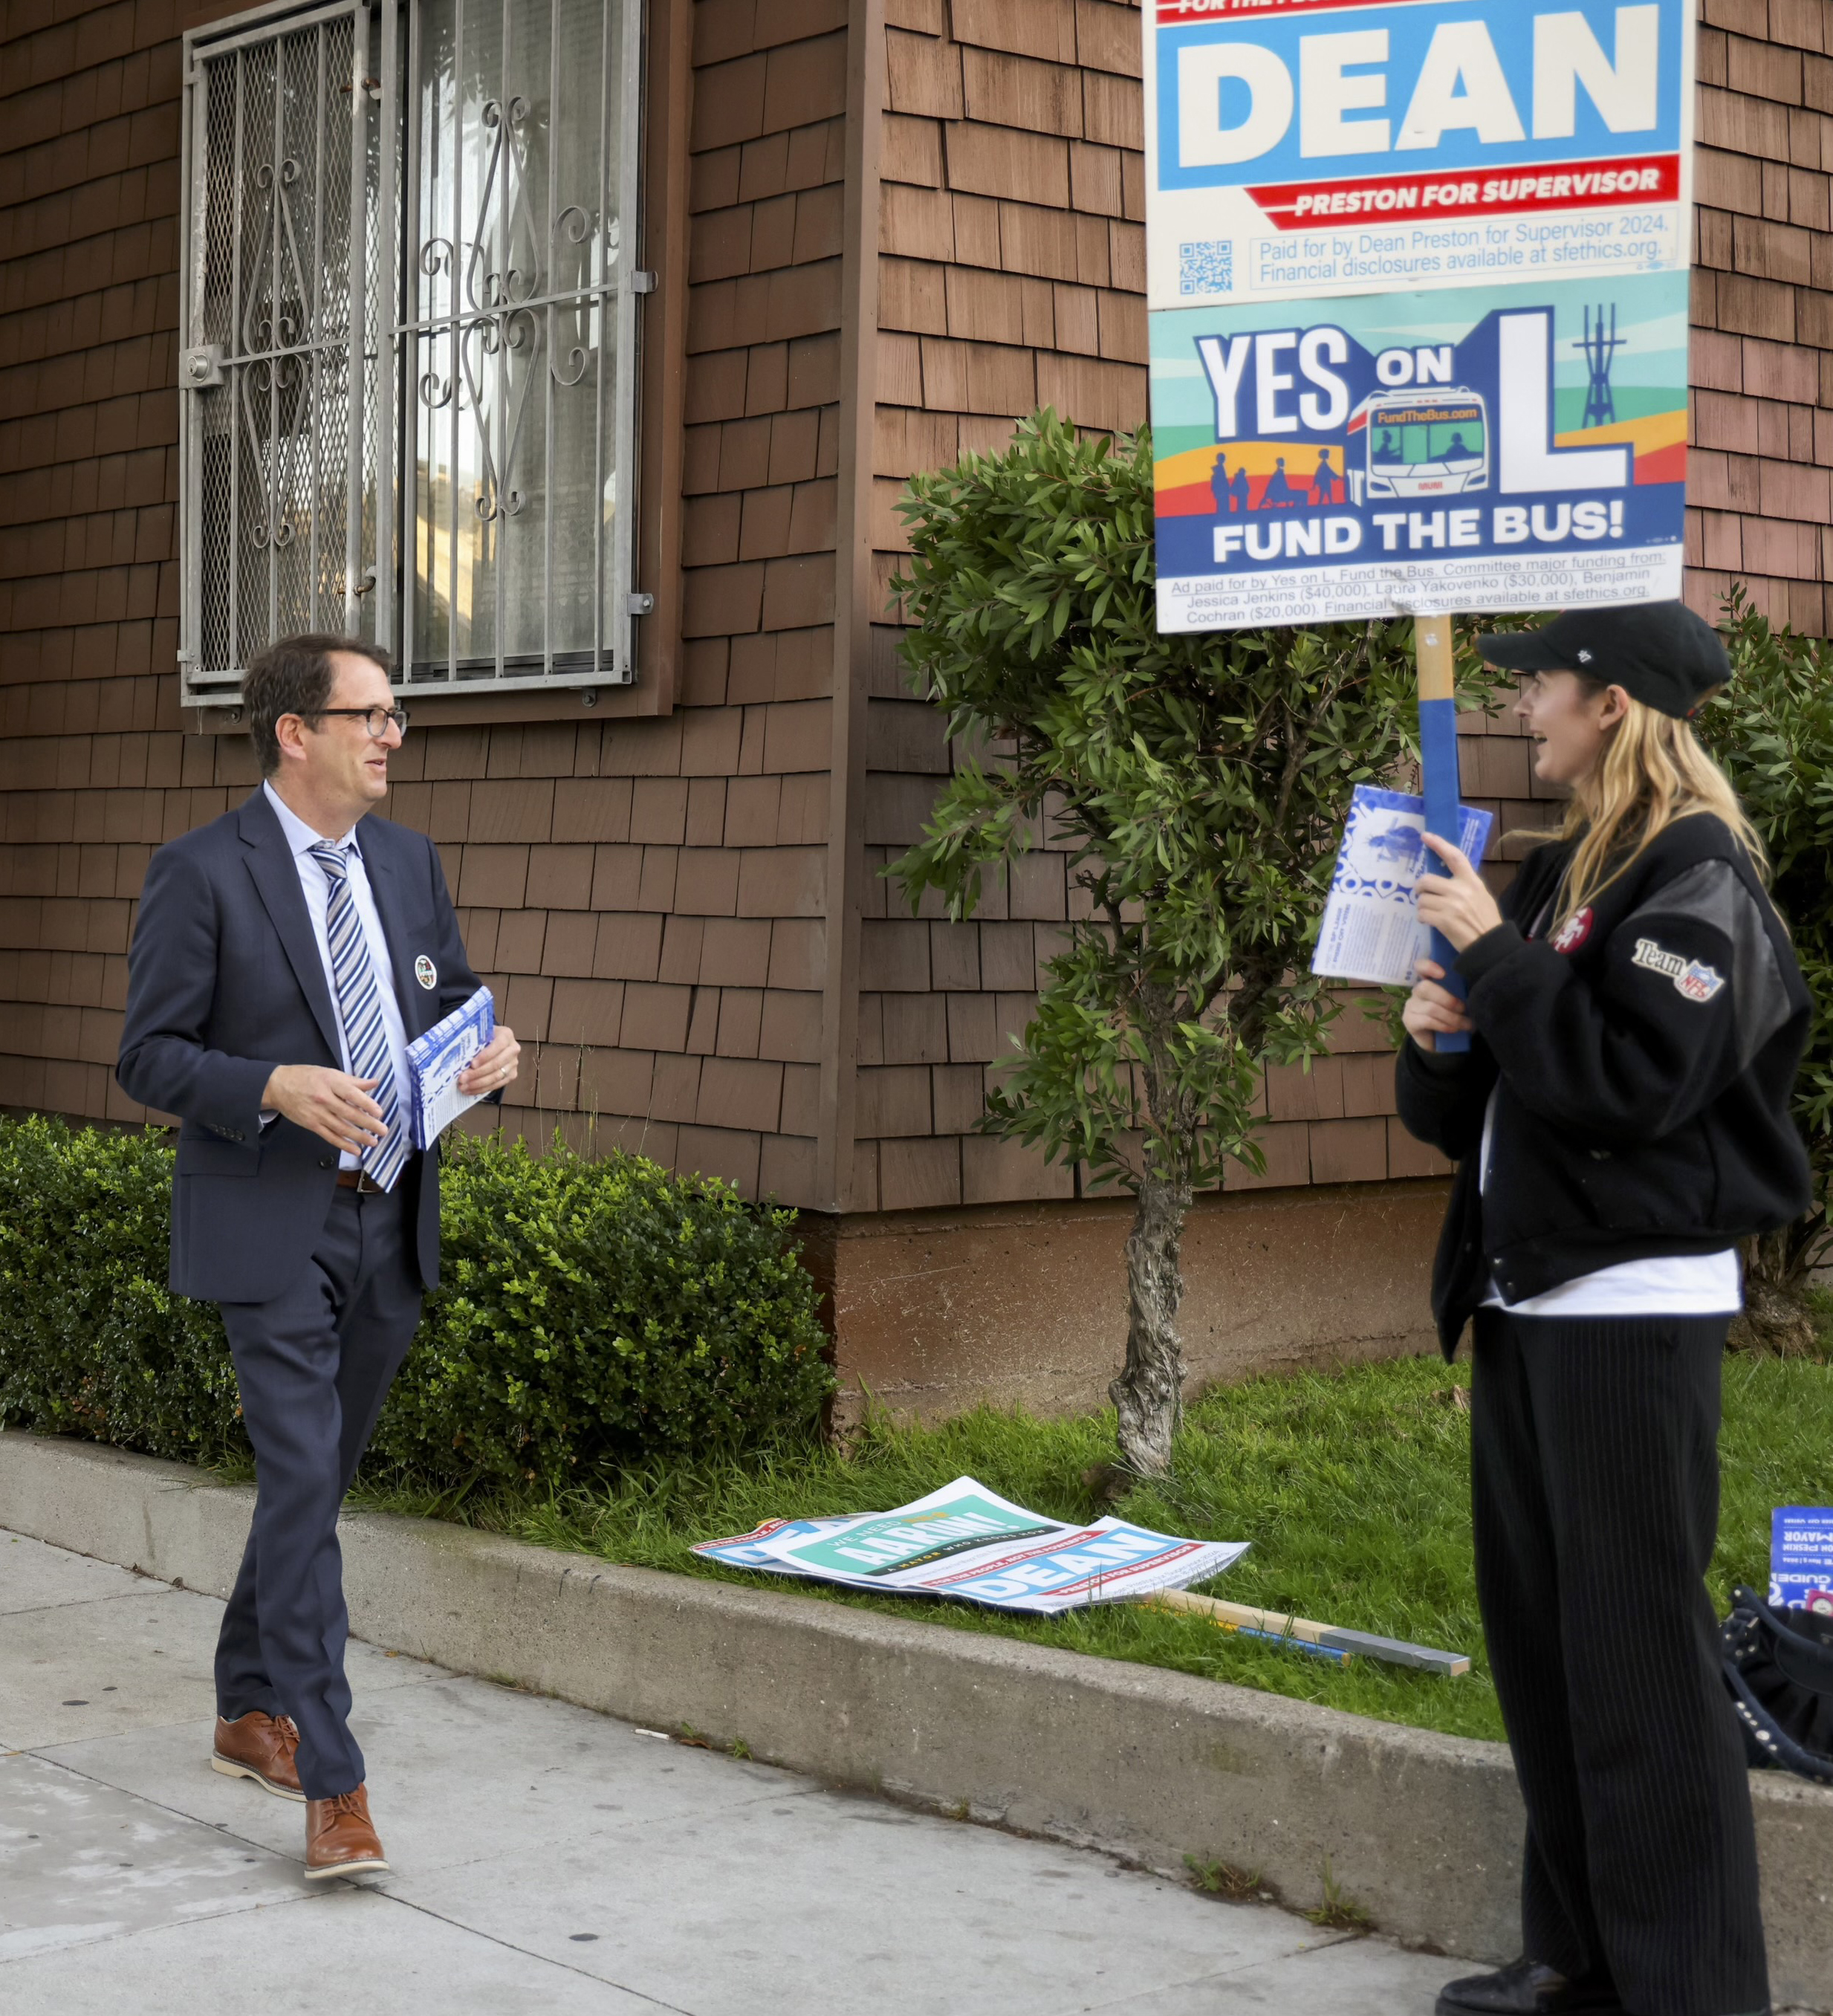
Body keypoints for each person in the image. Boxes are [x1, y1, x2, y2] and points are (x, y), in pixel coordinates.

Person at [1396, 600, 1808, 2016]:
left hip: (1630, 1311)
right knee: (1546, 1645)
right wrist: (1442, 1033)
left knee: (1638, 1658)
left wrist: (1499, 966)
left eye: (1546, 686)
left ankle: (1691, 1989)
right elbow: (1497, 1099)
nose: (1525, 707)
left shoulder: (1699, 879)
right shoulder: (1580, 865)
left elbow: (1632, 1086)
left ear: (1616, 704)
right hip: (1531, 1298)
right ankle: (1576, 1958)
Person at [117, 635, 520, 1882]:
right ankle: (334, 1784)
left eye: (397, 715)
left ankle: (247, 1702)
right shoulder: (201, 873)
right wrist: (275, 1086)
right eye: (372, 714)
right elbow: (149, 1055)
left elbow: (447, 998)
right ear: (296, 731)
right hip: (269, 1227)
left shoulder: (408, 860)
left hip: (388, 1214)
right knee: (303, 1482)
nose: (393, 733)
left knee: (313, 1486)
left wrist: (485, 1059)